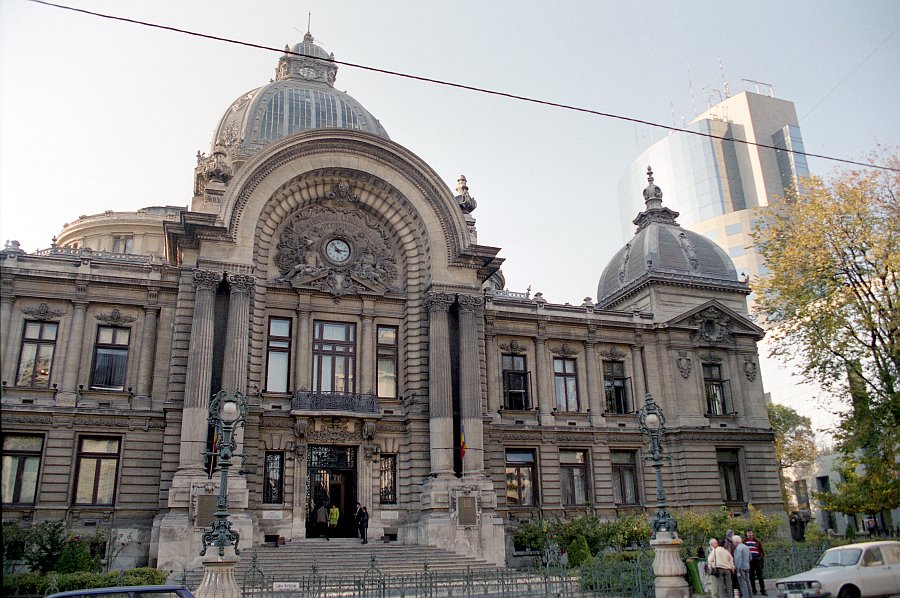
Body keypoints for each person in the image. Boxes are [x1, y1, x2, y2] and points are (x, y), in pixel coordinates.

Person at [745, 529, 766, 595]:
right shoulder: (744, 541)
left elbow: (761, 550)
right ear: (746, 534)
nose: (749, 534)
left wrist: (761, 557)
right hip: (750, 561)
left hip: (757, 560)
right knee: (751, 576)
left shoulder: (757, 541)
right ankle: (754, 590)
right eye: (748, 533)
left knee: (760, 576)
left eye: (750, 533)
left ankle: (763, 590)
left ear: (752, 533)